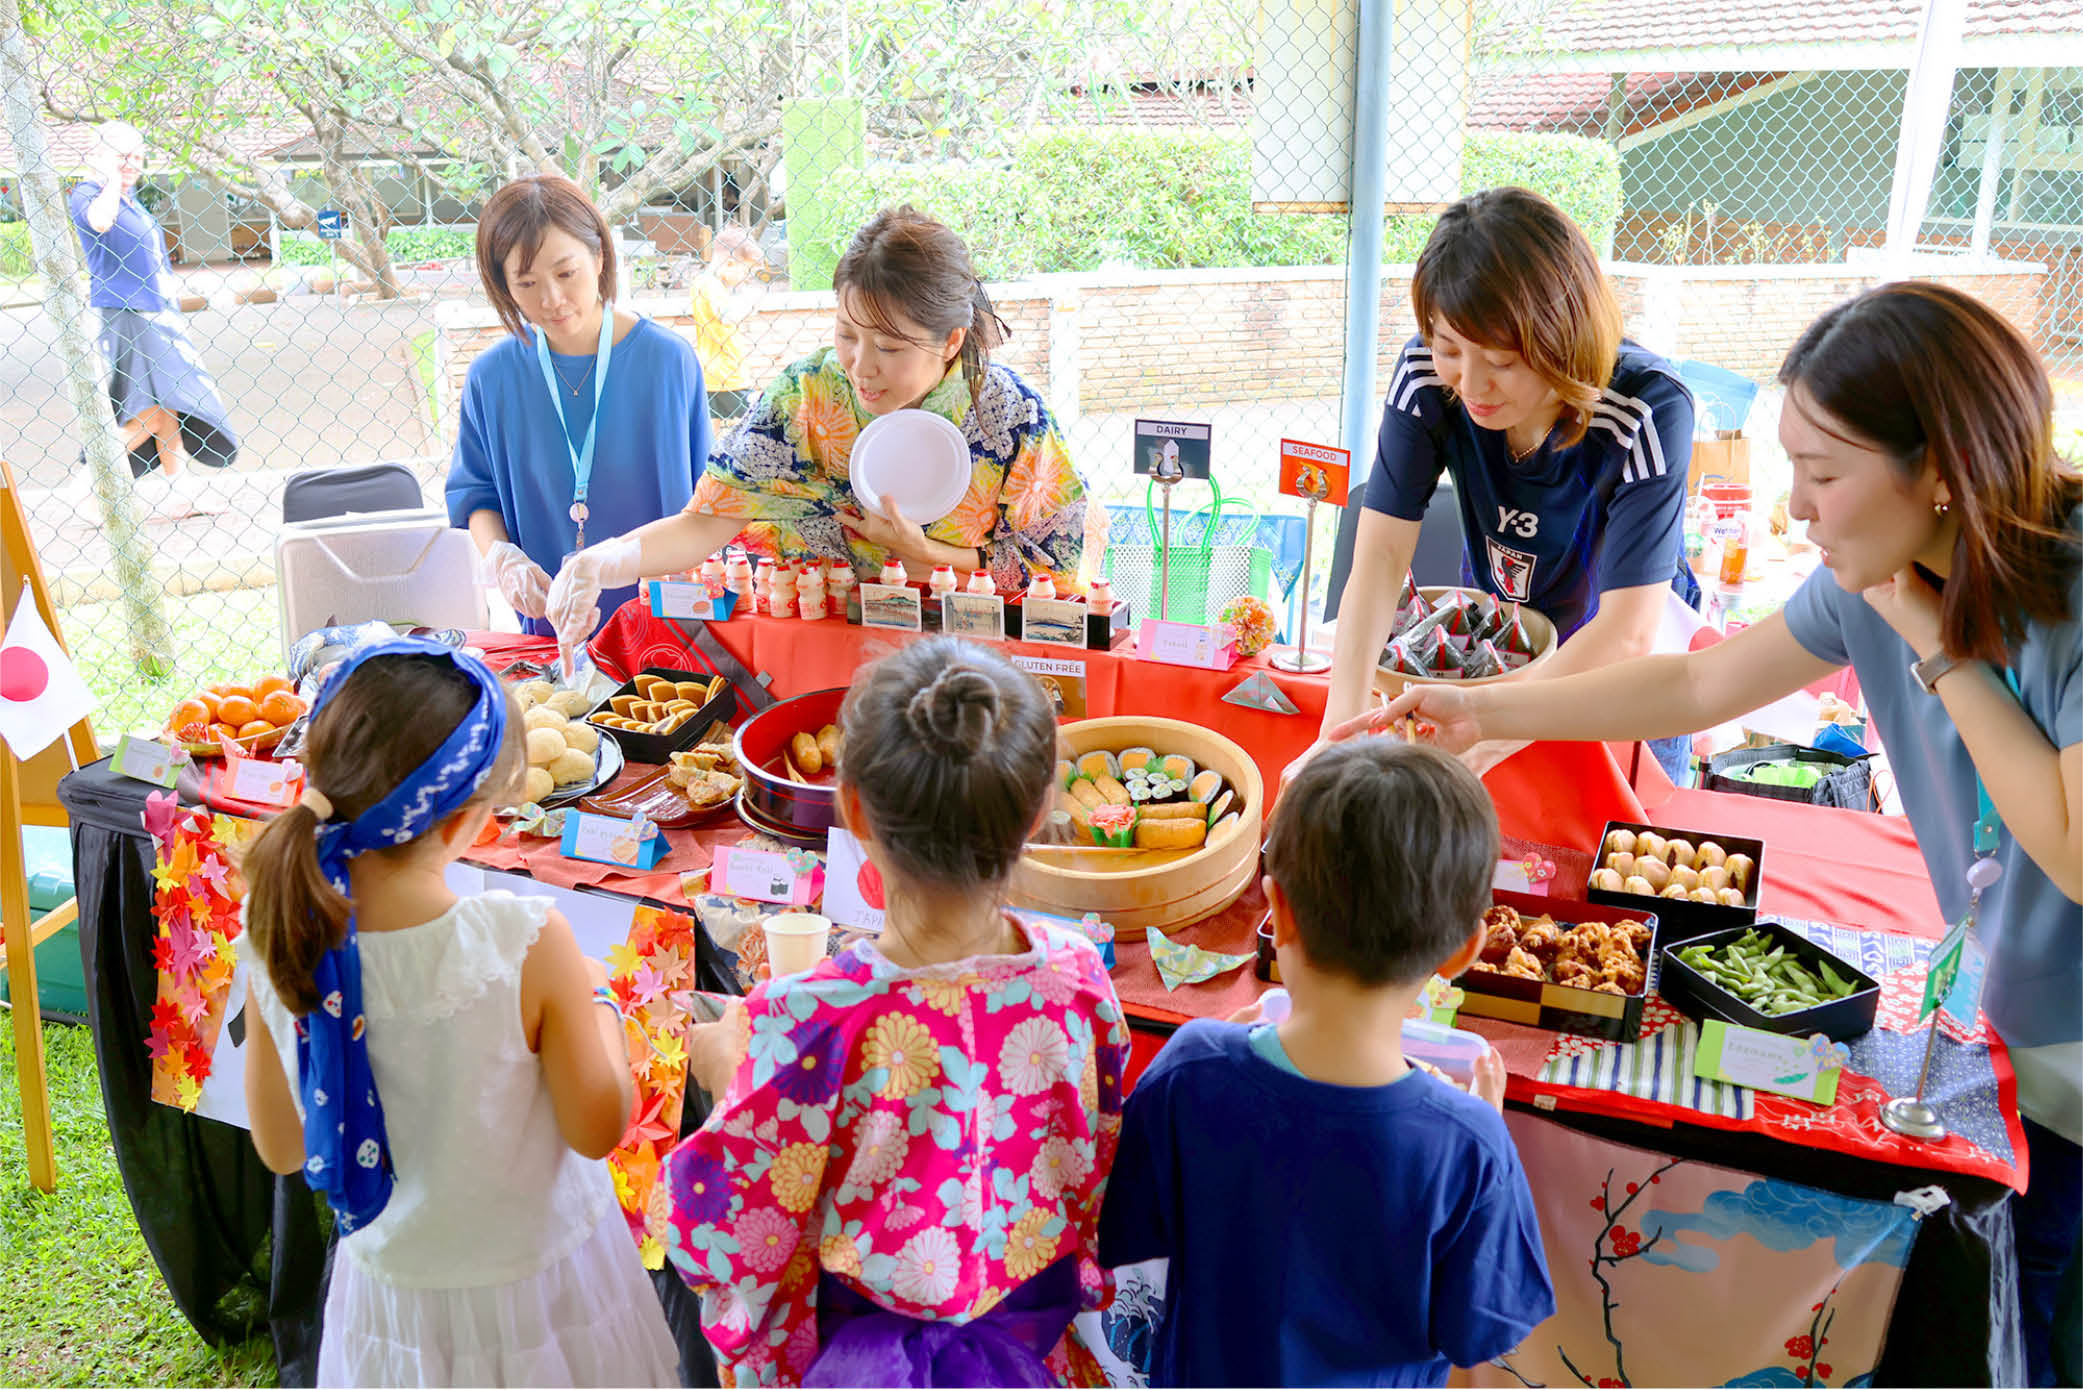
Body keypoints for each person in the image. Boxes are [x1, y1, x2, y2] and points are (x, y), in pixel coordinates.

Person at [1384, 282, 2081, 1387]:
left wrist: (1935, 649)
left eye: (1822, 473)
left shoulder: (2039, 585)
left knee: (2036, 1310)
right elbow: (1701, 681)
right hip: (2003, 1027)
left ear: (1941, 470)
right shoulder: (1877, 576)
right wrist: (1486, 709)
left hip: (2070, 1050)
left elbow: (2072, 846)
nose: (1795, 508)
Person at [659, 637, 1129, 1385]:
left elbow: (724, 1232)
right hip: (1028, 1353)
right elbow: (1092, 1155)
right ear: (1040, 808)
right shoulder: (1075, 978)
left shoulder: (804, 1015)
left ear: (853, 812)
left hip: (865, 1367)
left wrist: (727, 1069)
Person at [239, 638, 678, 1386]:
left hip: (393, 1309)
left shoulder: (275, 927)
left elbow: (282, 1150)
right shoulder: (524, 938)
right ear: (457, 823)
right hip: (545, 1298)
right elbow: (599, 1127)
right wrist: (602, 1007)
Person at [1099, 739, 1548, 1387]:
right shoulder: (1469, 1142)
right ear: (1464, 953)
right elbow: (1478, 1332)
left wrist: (1212, 1057)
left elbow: (1121, 1231)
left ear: (1275, 910)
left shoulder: (1192, 1068)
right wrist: (1488, 1127)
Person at [546, 207, 1095, 655]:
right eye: (847, 335)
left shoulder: (1008, 415)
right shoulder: (807, 397)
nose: (861, 366)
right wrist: (604, 558)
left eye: (890, 348)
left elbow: (1054, 563)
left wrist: (924, 551)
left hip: (969, 654)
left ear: (951, 341)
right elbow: (706, 523)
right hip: (823, 637)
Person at [1311, 186, 1697, 779]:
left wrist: (1486, 731)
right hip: (1502, 661)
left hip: (1617, 672)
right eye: (1450, 349)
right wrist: (1336, 737)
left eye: (1504, 361)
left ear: (1563, 337)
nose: (1471, 386)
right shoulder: (1424, 377)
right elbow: (1381, 558)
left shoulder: (1647, 408)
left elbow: (1627, 634)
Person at [446, 174, 711, 638]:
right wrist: (503, 560)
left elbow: (707, 503)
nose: (551, 300)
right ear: (503, 286)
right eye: (526, 283)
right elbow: (476, 495)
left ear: (600, 256)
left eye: (566, 273)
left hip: (667, 629)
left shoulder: (667, 361)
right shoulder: (493, 377)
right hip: (552, 628)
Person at [67, 120, 239, 487]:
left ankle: (180, 494)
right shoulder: (89, 193)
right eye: (121, 156)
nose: (131, 164)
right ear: (99, 156)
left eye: (137, 157)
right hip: (129, 316)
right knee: (148, 415)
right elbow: (99, 222)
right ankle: (82, 490)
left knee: (168, 406)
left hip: (155, 312)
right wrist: (111, 177)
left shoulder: (131, 202)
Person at [688, 224, 769, 425]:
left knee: (712, 426)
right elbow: (728, 315)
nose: (747, 278)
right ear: (730, 263)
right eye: (746, 271)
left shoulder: (706, 283)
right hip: (727, 374)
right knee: (752, 422)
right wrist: (752, 300)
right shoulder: (710, 285)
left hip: (712, 372)